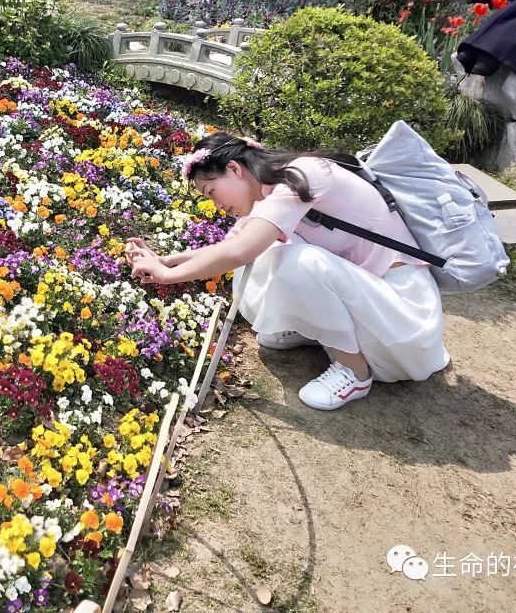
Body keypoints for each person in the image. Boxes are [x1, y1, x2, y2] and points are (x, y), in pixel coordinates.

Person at [124, 132, 451, 411]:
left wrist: (165, 277)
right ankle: (312, 332)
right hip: (369, 296)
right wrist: (165, 260)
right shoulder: (269, 195)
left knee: (297, 263)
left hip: (402, 315)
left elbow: (239, 250)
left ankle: (355, 374)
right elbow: (228, 249)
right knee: (263, 261)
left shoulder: (300, 177)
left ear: (234, 169)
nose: (215, 206)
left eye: (211, 192)